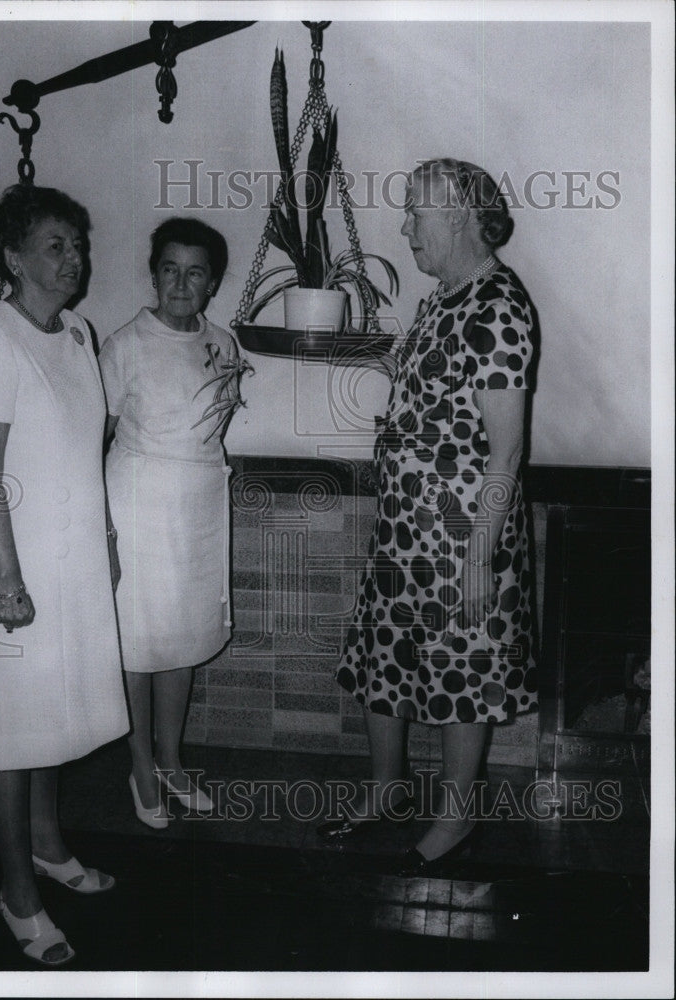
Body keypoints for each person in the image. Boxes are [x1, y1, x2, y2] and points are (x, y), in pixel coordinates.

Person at [319, 158, 538, 873]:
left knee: (460, 673)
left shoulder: (497, 307)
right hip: (404, 530)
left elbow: (505, 452)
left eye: (417, 212)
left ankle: (457, 815)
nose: (405, 225)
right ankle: (387, 790)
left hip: (460, 539)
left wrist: (479, 556)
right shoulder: (442, 299)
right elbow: (432, 392)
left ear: (463, 217)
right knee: (390, 661)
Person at [0, 184, 129, 966]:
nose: (74, 259)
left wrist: (108, 534)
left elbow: (82, 453)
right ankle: (16, 892)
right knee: (14, 731)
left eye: (77, 245)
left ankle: (53, 848)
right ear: (11, 257)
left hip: (78, 560)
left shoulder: (78, 334)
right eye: (55, 246)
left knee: (60, 714)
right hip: (18, 563)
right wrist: (8, 578)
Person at [100, 216, 248, 828]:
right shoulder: (122, 346)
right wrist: (101, 529)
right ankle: (140, 765)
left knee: (181, 639)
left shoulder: (224, 342)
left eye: (196, 272)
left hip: (198, 510)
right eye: (170, 269)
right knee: (139, 640)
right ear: (153, 273)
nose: (181, 282)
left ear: (212, 282)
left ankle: (170, 760)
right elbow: (95, 440)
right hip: (136, 506)